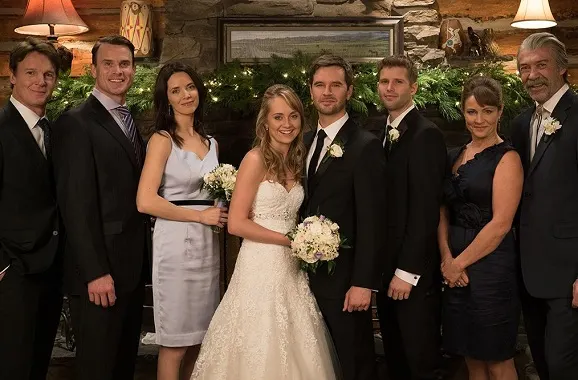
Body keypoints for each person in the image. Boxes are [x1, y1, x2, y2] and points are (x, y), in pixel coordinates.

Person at [191, 84, 339, 379]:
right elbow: (236, 223)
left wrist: (309, 239)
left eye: (293, 116)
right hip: (260, 263)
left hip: (292, 267)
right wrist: (289, 240)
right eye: (278, 117)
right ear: (266, 123)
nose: (287, 125)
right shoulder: (255, 160)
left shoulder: (298, 161)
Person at [52, 35, 150, 380]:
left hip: (130, 269)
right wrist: (94, 271)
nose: (117, 71)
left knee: (122, 364)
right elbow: (75, 205)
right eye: (108, 63)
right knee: (98, 367)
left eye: (124, 64)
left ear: (133, 69)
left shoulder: (128, 119)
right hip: (100, 274)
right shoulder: (75, 123)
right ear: (93, 69)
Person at [136, 62, 227, 380]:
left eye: (190, 87)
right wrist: (199, 215)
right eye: (176, 90)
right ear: (167, 99)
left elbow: (215, 194)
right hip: (174, 243)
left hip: (206, 245)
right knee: (175, 343)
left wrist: (221, 211)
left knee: (200, 339)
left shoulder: (211, 142)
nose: (186, 94)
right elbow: (145, 201)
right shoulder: (162, 140)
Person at [302, 54, 386, 380]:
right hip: (305, 278)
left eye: (335, 85)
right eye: (320, 85)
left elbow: (373, 221)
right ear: (310, 91)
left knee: (353, 361)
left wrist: (363, 283)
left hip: (346, 282)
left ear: (349, 91)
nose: (327, 92)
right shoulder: (304, 142)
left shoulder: (365, 146)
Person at [439, 76, 523, 380]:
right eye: (472, 111)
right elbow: (443, 214)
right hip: (455, 270)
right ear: (463, 112)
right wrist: (447, 259)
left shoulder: (507, 158)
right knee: (471, 357)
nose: (479, 119)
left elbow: (501, 224)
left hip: (491, 270)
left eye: (487, 111)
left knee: (497, 359)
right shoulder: (453, 156)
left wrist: (458, 263)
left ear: (500, 112)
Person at [370, 55, 446, 380]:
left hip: (412, 276)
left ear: (413, 87)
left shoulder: (425, 134)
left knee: (420, 362)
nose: (390, 88)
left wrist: (407, 271)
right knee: (396, 360)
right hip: (387, 272)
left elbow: (426, 210)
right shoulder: (379, 131)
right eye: (384, 81)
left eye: (398, 81)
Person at [510, 32, 578, 380]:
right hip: (528, 272)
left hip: (568, 274)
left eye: (540, 65)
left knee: (564, 365)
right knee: (542, 361)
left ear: (562, 69)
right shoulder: (521, 123)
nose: (531, 74)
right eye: (524, 68)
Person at [0, 37, 63, 380]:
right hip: (13, 271)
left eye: (48, 74)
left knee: (38, 364)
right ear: (12, 75)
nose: (41, 81)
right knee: (12, 366)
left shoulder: (52, 130)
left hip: (50, 267)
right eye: (31, 73)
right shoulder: (1, 128)